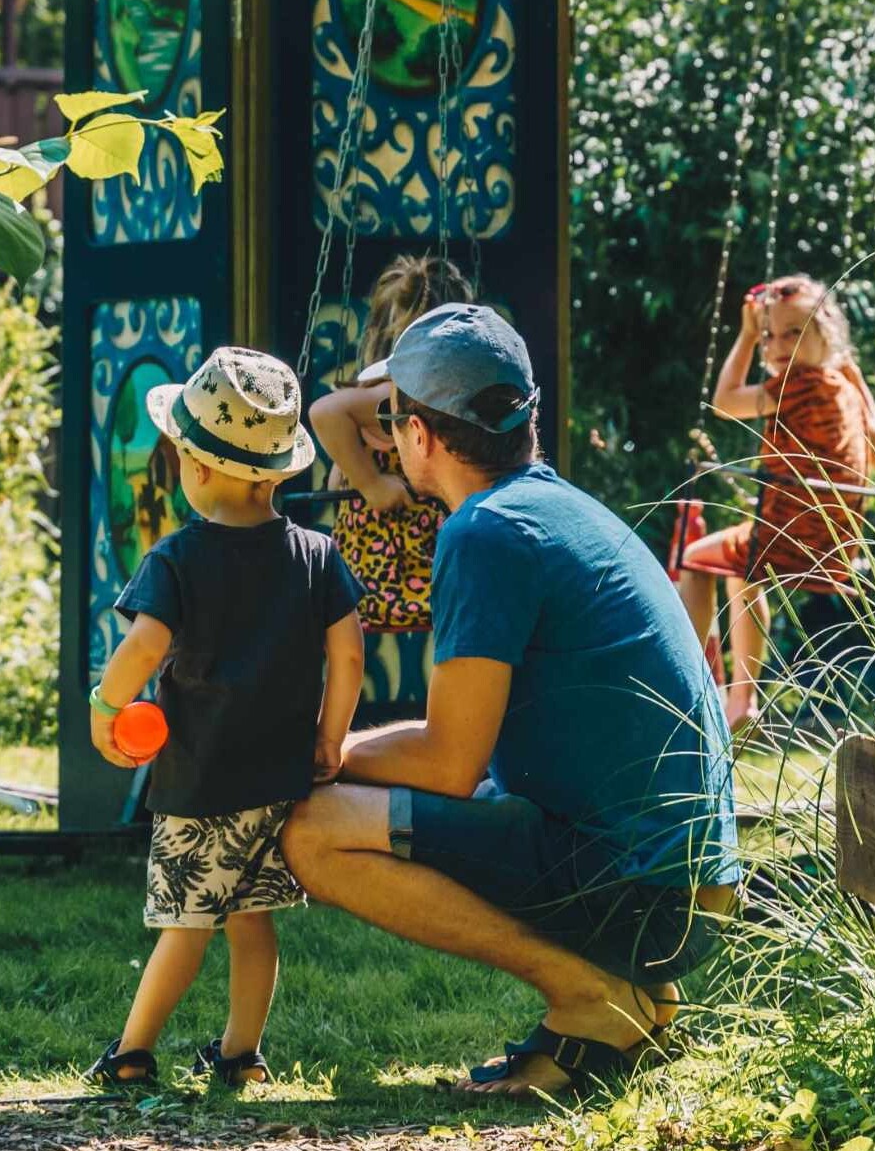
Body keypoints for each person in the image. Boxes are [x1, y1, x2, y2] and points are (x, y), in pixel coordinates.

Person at [281, 304, 741, 1100]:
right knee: (357, 793)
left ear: (420, 435)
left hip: (647, 900)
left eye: (391, 417)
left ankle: (592, 998)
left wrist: (323, 756)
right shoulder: (555, 507)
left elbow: (447, 764)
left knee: (312, 830)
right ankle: (634, 996)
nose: (388, 436)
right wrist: (339, 756)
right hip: (688, 891)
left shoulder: (485, 533)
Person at [86, 347, 366, 1089]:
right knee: (252, 920)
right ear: (278, 471)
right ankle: (242, 1053)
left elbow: (144, 645)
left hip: (198, 781)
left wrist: (105, 707)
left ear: (197, 468)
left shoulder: (176, 560)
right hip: (278, 777)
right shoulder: (316, 554)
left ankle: (133, 1052)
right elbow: (348, 656)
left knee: (186, 924)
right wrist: (330, 738)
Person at [677, 277, 875, 730]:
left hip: (788, 538)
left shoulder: (798, 386)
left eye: (794, 332)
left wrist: (747, 335)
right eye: (769, 334)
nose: (778, 346)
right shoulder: (846, 388)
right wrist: (855, 376)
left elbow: (724, 402)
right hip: (835, 546)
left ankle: (689, 684)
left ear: (823, 334)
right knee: (742, 574)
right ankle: (741, 700)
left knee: (695, 560)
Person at [309, 254, 472, 718]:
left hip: (399, 565)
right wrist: (371, 480)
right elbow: (325, 412)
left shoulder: (418, 397)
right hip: (390, 558)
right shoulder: (395, 393)